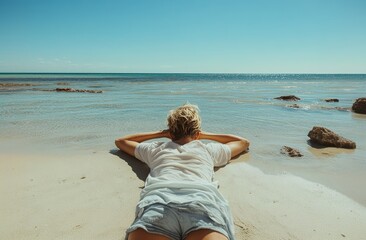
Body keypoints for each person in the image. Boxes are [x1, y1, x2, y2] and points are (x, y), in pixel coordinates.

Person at [115, 104, 249, 240]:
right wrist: (203, 135)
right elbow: (243, 142)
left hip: (159, 202)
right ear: (197, 133)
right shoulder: (208, 150)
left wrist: (161, 133)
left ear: (171, 133)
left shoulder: (155, 149)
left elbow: (121, 141)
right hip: (201, 202)